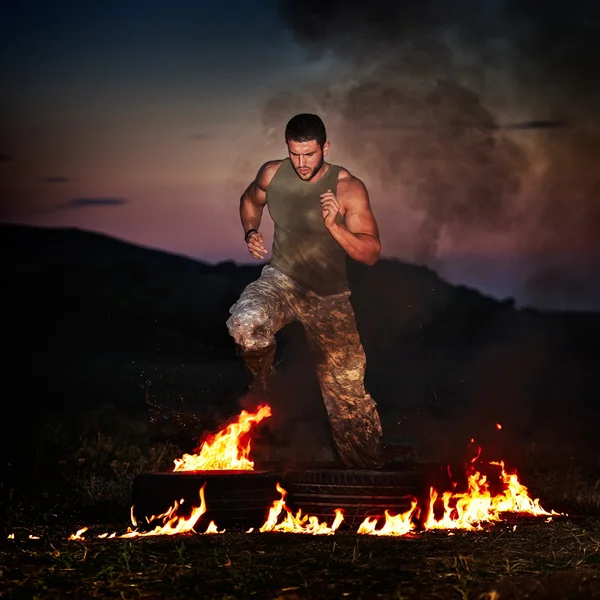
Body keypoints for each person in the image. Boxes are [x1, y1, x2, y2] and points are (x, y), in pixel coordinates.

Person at [226, 113, 384, 470]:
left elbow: (370, 253)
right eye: (295, 154)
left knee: (350, 405)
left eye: (309, 154)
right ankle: (266, 387)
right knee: (245, 323)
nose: (301, 163)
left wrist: (334, 226)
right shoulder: (272, 173)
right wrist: (251, 231)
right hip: (281, 281)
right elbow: (250, 201)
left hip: (329, 299)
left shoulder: (348, 188)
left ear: (325, 148)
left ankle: (367, 478)